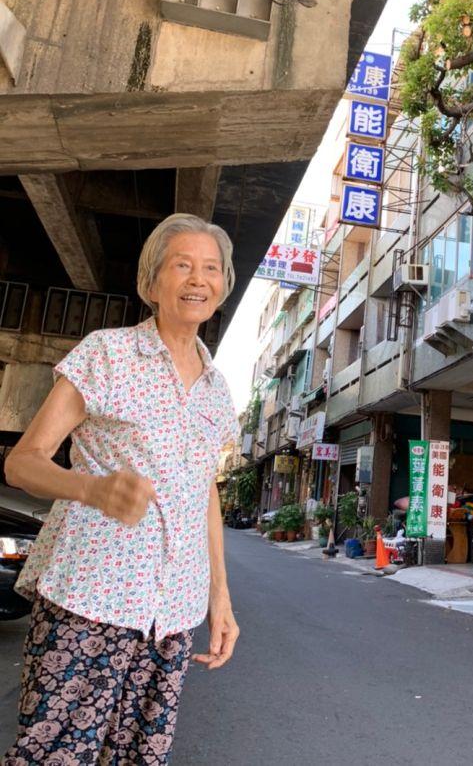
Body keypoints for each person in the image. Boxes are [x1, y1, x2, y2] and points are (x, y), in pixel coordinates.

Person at [3, 213, 240, 765]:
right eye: (182, 265)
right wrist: (92, 490)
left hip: (173, 613)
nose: (197, 279)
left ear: (223, 286)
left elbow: (204, 495)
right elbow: (23, 463)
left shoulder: (217, 390)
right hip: (91, 595)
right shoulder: (106, 354)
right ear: (152, 281)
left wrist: (219, 600)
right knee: (53, 754)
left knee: (139, 756)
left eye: (209, 269)